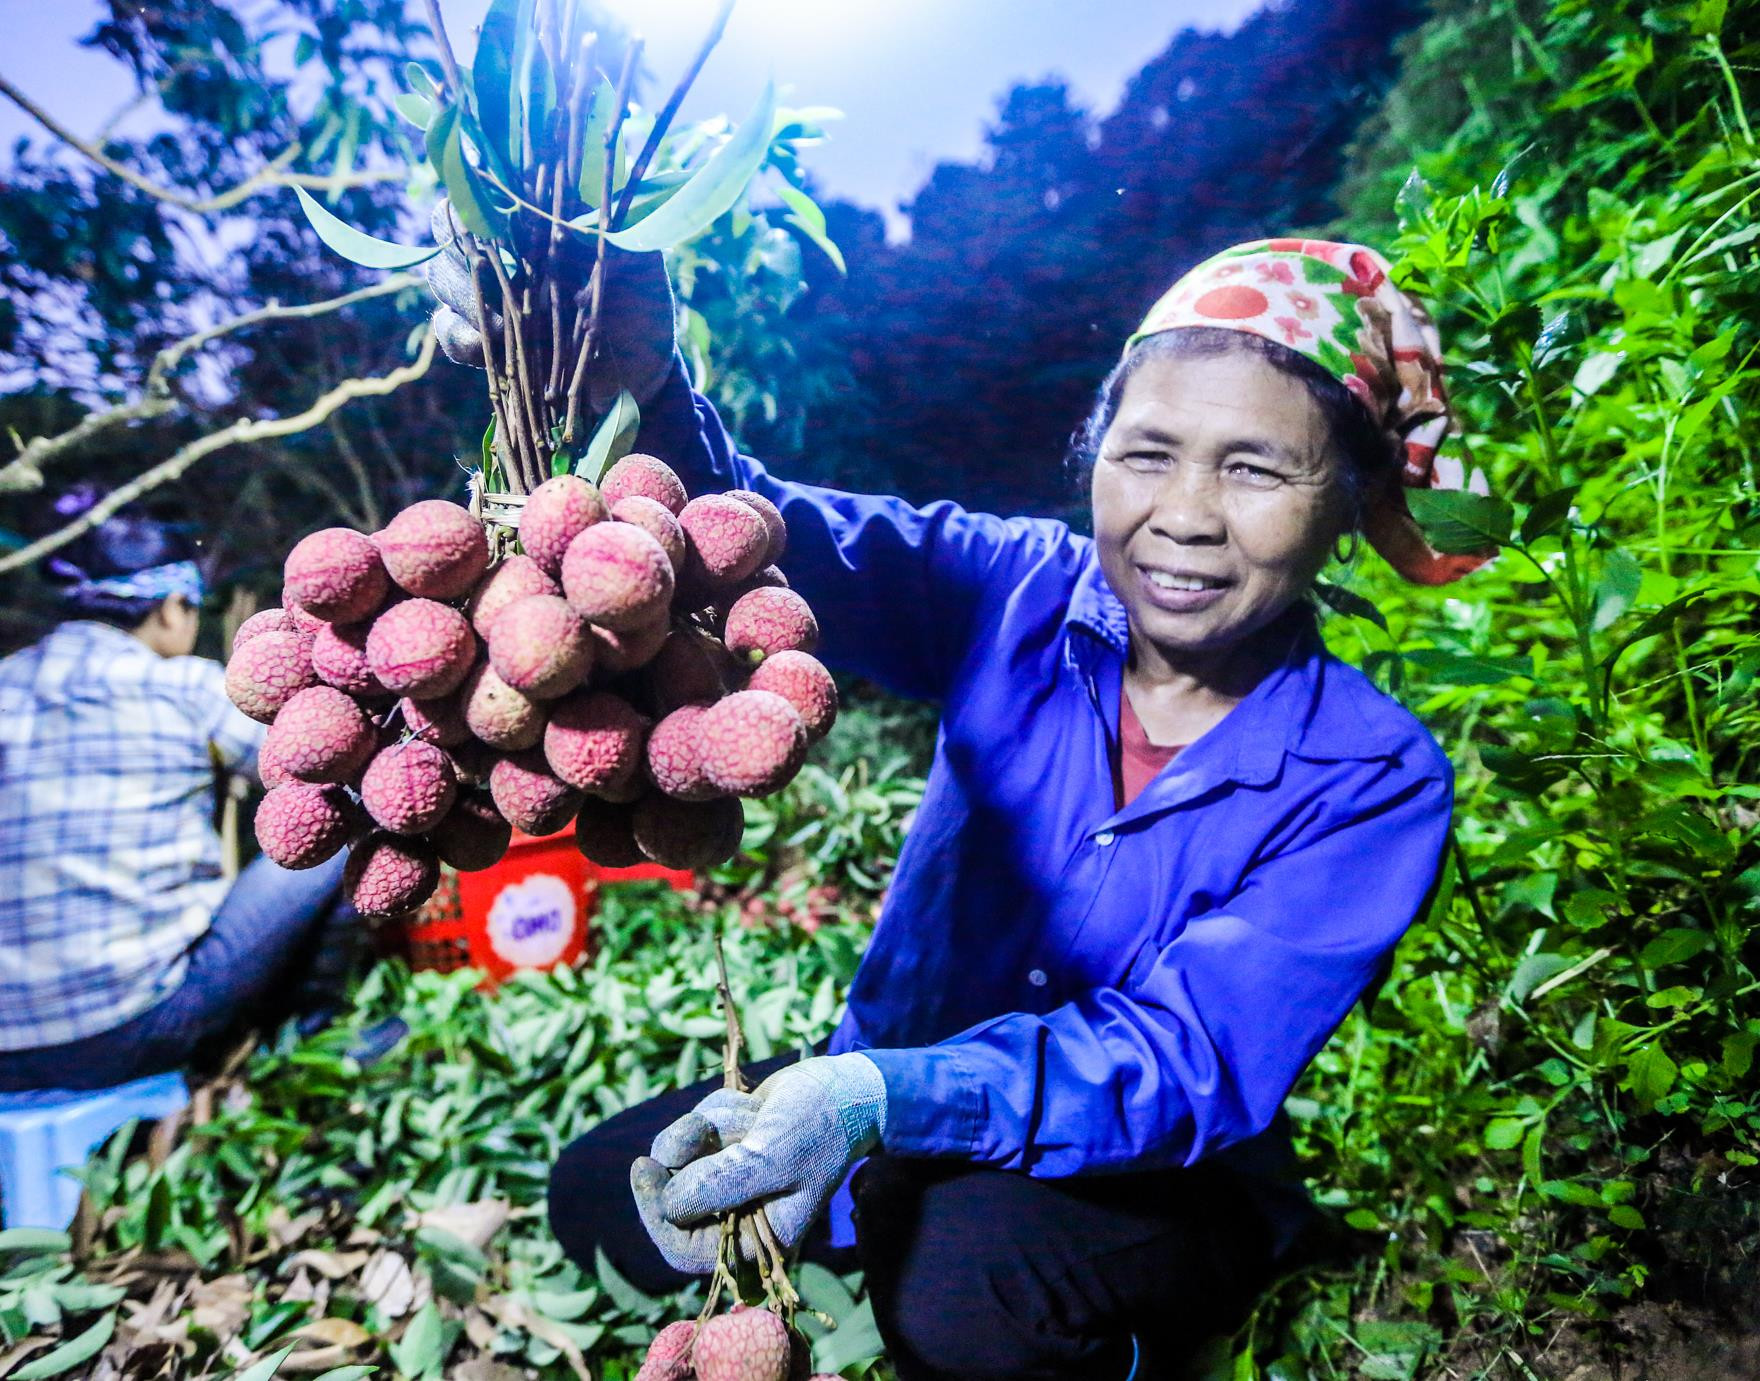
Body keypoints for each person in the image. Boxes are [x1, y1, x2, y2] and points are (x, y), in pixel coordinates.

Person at [429, 222, 1493, 1378]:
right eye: (1145, 454)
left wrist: (873, 1094)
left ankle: (1165, 1314)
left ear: (1345, 498)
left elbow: (1186, 1054)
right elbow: (777, 541)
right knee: (600, 1198)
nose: (1183, 514)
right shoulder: (1017, 588)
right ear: (1092, 457)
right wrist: (644, 382)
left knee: (958, 1292)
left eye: (1253, 469)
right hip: (898, 1073)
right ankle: (875, 1198)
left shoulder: (1372, 775)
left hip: (1152, 1165)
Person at [0, 490, 363, 1095]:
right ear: (174, 608)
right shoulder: (178, 686)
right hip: (121, 1034)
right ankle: (311, 1041)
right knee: (338, 828)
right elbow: (314, 763)